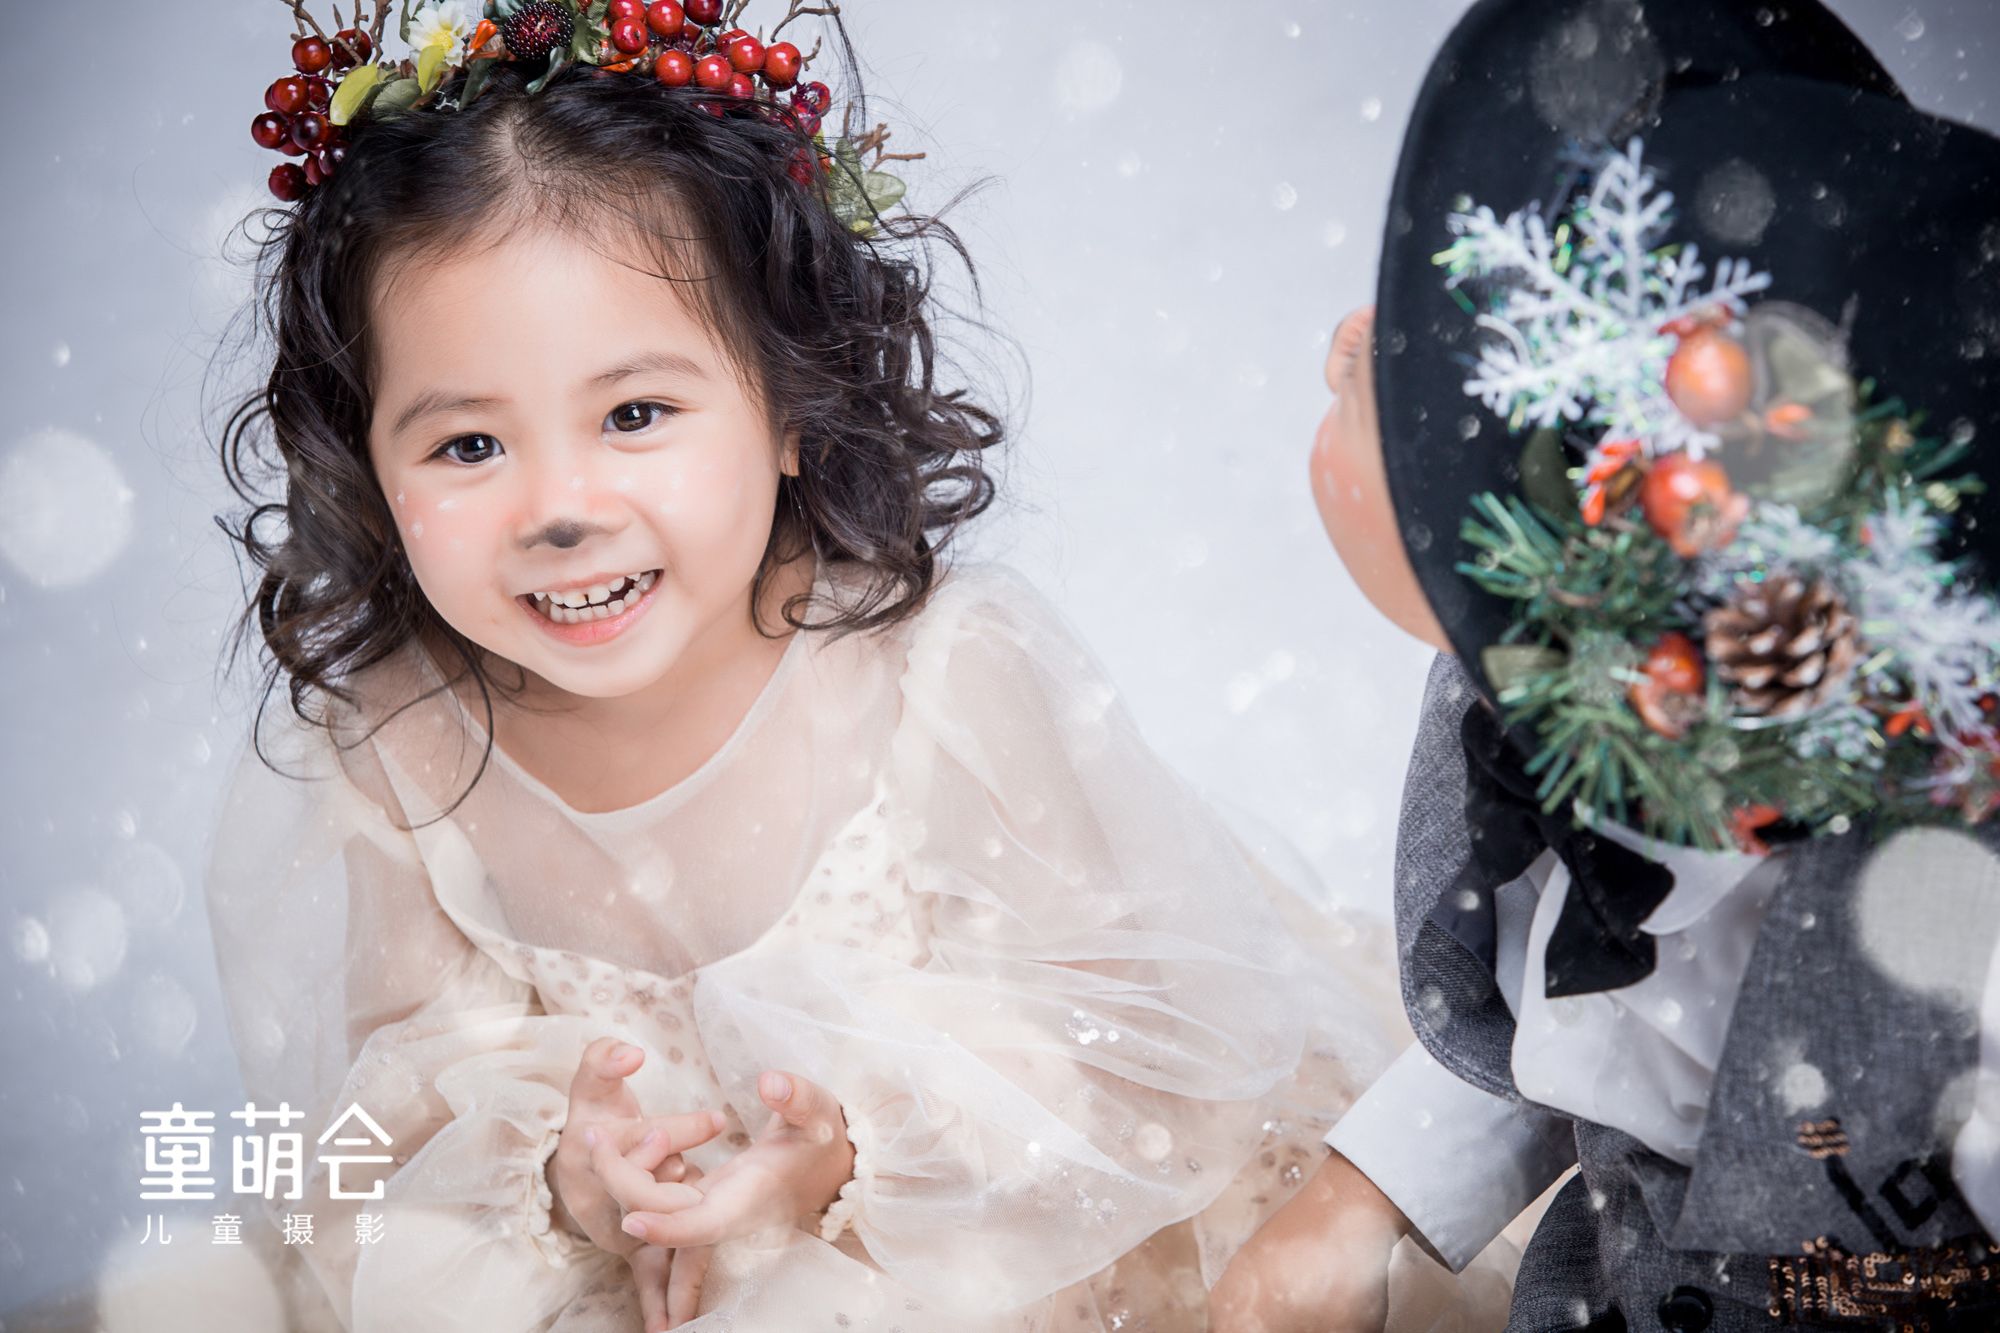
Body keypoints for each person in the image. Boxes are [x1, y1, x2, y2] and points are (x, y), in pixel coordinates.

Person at [200, 3, 1515, 1329]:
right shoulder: (400, 749)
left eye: (635, 413)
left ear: (788, 406)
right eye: (468, 446)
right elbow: (387, 1133)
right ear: (365, 460)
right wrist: (562, 1174)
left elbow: (1147, 1068)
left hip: (1004, 1256)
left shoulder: (932, 675)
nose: (559, 508)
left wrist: (859, 1157)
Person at [1215, 0, 2000, 1328]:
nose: (1345, 341)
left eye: (1403, 389)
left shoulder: (1949, 922)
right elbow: (1600, 1014)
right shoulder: (1564, 708)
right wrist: (1368, 1191)